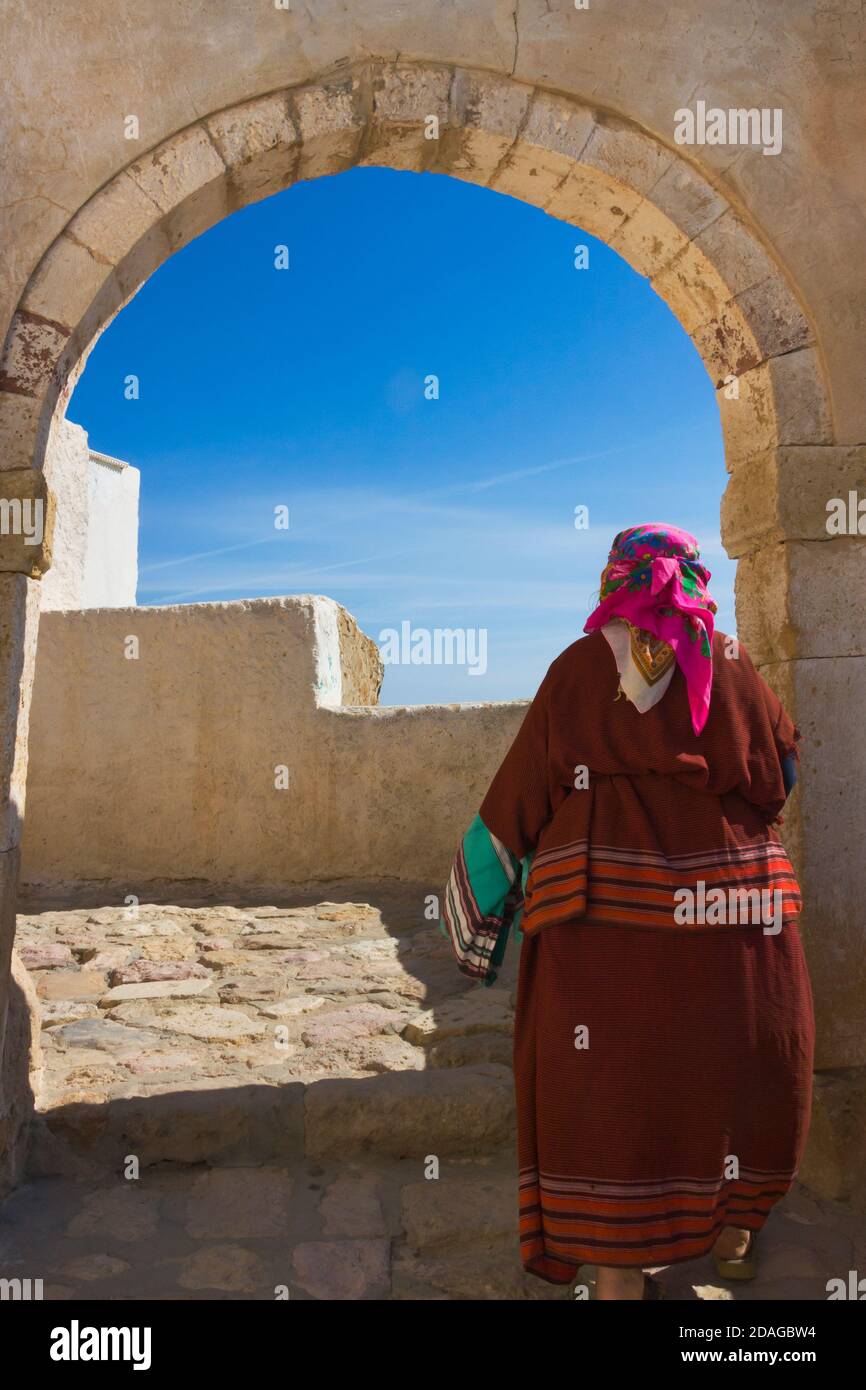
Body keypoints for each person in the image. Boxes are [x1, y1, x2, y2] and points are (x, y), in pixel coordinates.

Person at [440, 523, 814, 1300]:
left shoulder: (578, 670)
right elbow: (778, 773)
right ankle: (737, 1234)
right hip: (736, 918)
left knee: (611, 1083)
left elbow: (521, 795)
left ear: (615, 579)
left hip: (607, 927)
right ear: (692, 577)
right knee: (739, 1071)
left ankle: (617, 1275)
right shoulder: (732, 661)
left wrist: (476, 912)